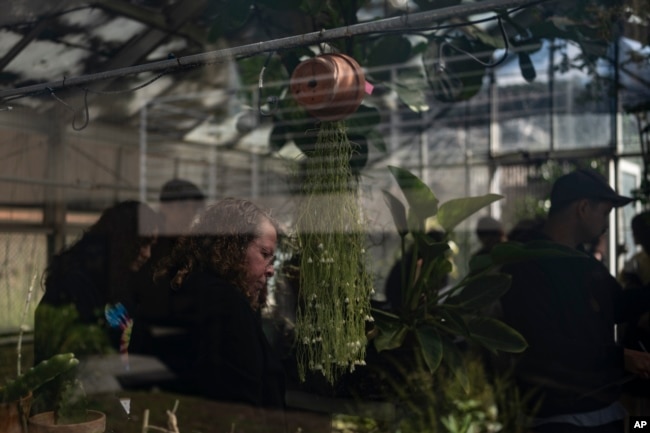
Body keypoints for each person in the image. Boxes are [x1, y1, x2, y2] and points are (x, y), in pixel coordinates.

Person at [499, 168, 650, 432]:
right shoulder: (527, 266)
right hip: (560, 418)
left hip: (602, 411)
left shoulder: (581, 261)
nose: (606, 224)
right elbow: (546, 344)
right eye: (604, 213)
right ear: (583, 207)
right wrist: (621, 358)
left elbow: (616, 305)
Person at [153, 197, 285, 409]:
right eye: (264, 254)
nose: (270, 270)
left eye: (273, 258)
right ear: (234, 247)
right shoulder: (226, 303)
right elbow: (241, 401)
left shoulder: (190, 288)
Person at [34, 200, 159, 363]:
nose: (147, 254)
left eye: (151, 246)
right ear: (122, 241)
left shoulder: (111, 283)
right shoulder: (77, 285)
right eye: (142, 244)